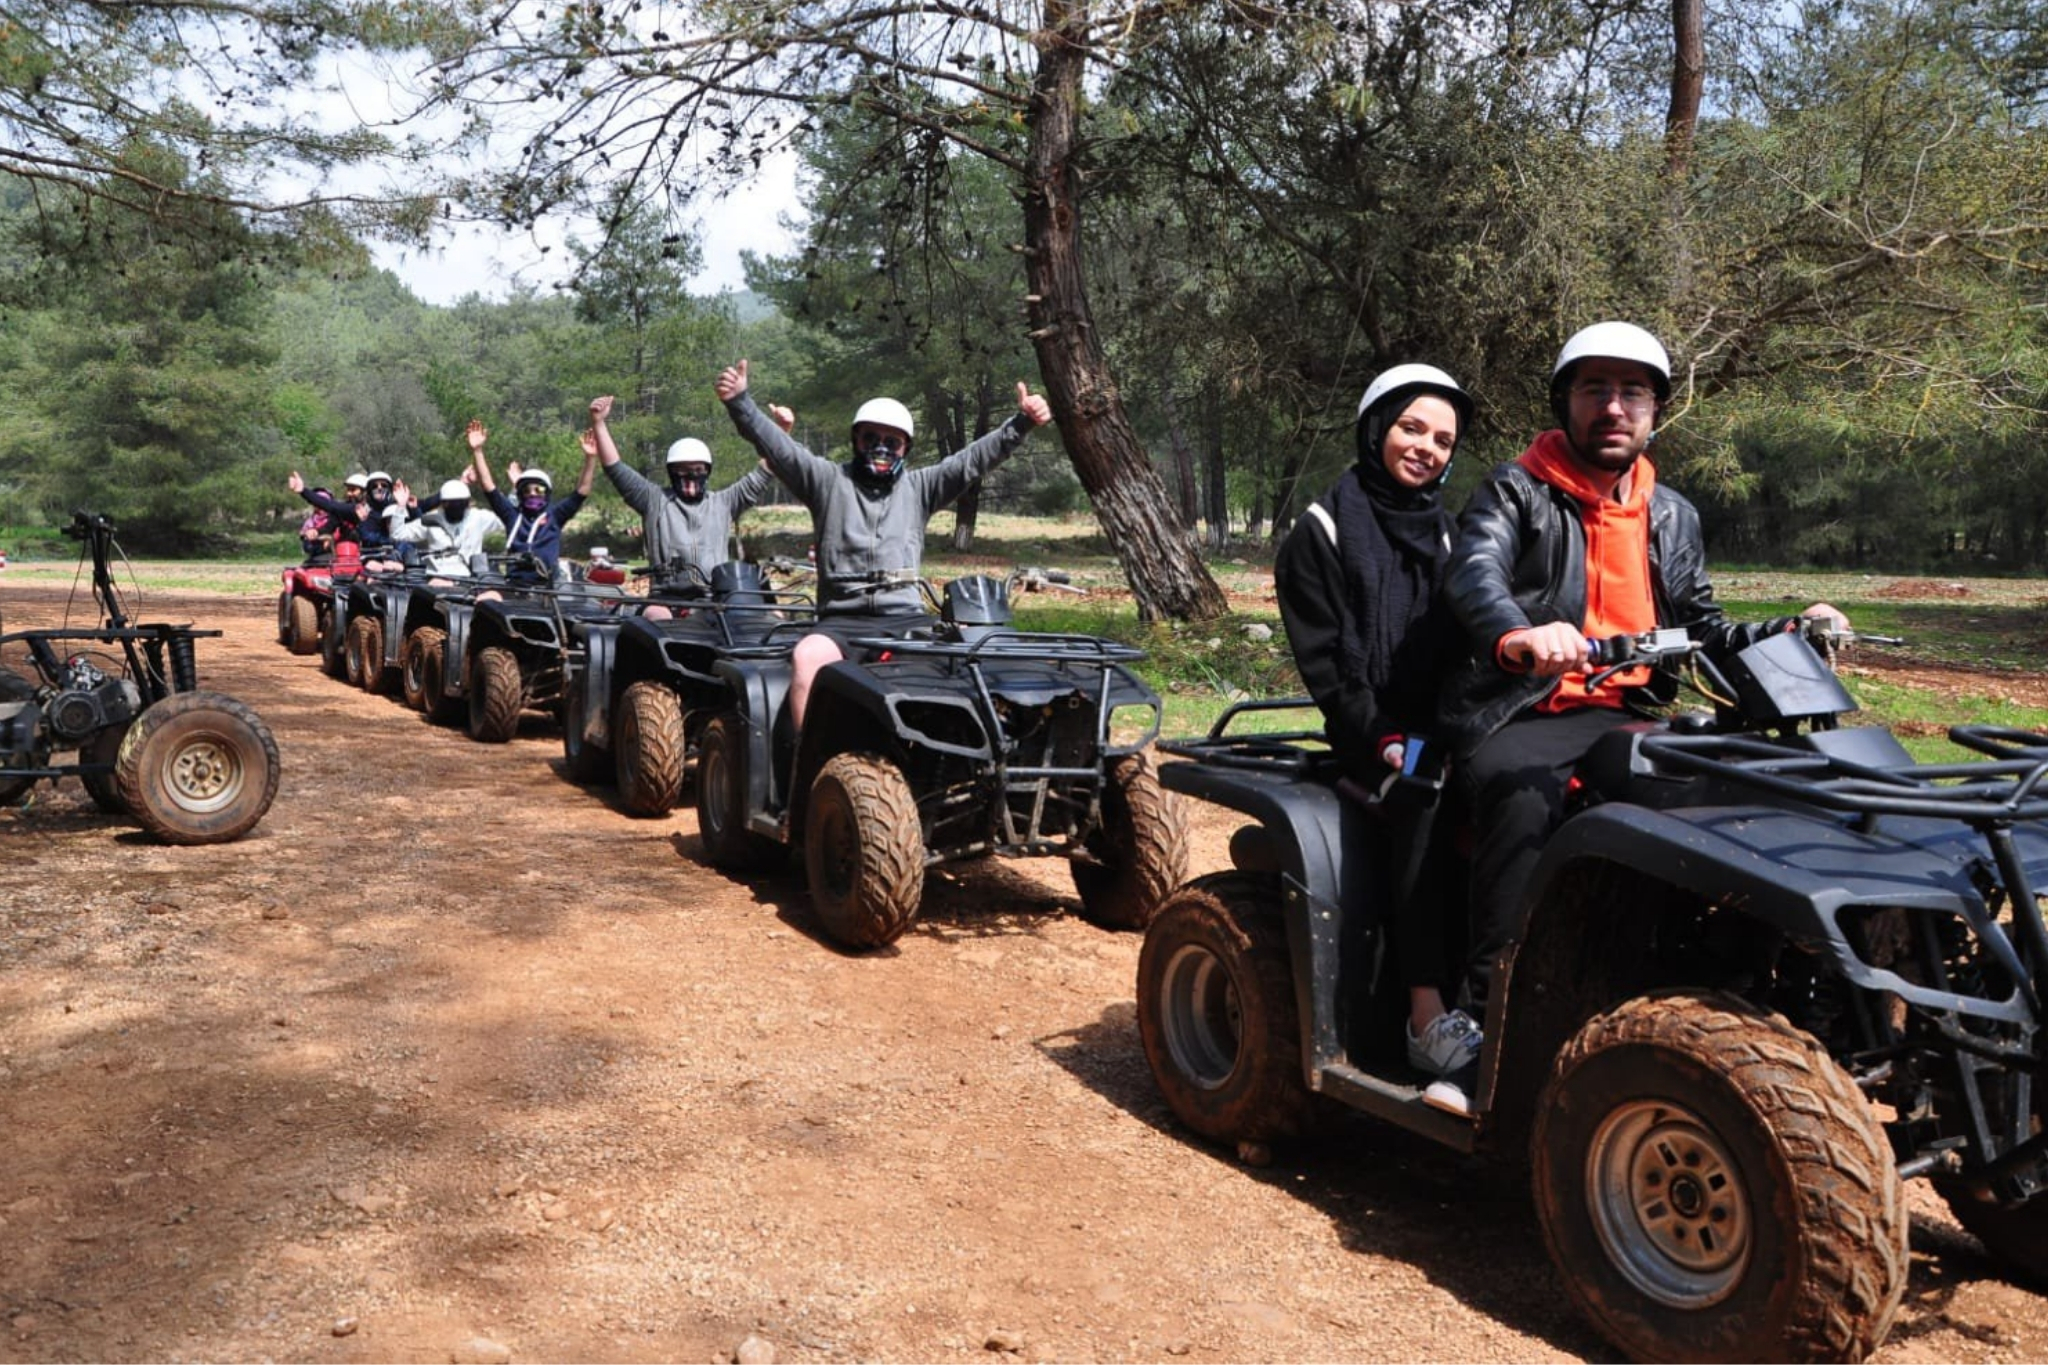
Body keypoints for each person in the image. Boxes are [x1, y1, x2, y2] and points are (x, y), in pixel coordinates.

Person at [1439, 320, 1847, 1030]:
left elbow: (1703, 626)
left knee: (1746, 790)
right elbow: (1476, 573)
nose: (1613, 406)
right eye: (1595, 388)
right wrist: (1522, 635)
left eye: (1632, 391)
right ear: (1566, 401)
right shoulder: (1515, 490)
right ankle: (1486, 1016)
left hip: (1628, 714)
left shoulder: (1670, 514)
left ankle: (1731, 987)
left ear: (1655, 411)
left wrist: (1787, 631)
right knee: (1521, 796)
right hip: (1521, 709)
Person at [1275, 363, 1478, 1082]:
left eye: (1444, 439)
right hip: (1370, 734)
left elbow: (1470, 640)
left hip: (1446, 723)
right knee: (1422, 792)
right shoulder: (1323, 529)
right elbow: (1329, 666)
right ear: (1375, 428)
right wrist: (1386, 736)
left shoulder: (1451, 536)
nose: (1427, 447)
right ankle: (1426, 1015)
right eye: (1412, 427)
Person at [714, 357, 1053, 728]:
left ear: (905, 448)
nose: (881, 447)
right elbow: (780, 449)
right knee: (807, 658)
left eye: (892, 441)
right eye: (871, 438)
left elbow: (971, 461)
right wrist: (740, 402)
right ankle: (807, 768)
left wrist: (1022, 423)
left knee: (965, 664)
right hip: (842, 622)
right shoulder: (827, 481)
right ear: (856, 440)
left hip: (907, 619)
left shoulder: (921, 487)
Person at [587, 394, 781, 606]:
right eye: (681, 470)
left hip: (716, 599)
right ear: (671, 472)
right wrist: (599, 422)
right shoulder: (654, 500)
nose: (690, 476)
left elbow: (764, 473)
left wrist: (782, 430)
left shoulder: (724, 502)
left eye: (698, 469)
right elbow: (615, 468)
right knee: (655, 618)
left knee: (765, 618)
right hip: (665, 598)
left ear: (707, 471)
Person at [466, 420, 598, 585]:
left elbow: (582, 491)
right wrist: (478, 451)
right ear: (520, 494)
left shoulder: (555, 516)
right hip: (514, 586)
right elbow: (489, 488)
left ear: (547, 493)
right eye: (526, 491)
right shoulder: (512, 516)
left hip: (548, 588)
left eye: (538, 490)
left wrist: (590, 458)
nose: (532, 494)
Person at [384, 477, 498, 579]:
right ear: (443, 504)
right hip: (439, 580)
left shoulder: (478, 517)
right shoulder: (431, 520)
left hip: (473, 580)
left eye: (460, 502)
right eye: (451, 503)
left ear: (468, 502)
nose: (456, 506)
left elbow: (508, 519)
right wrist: (401, 506)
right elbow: (397, 534)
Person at [290, 469, 404, 571]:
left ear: (364, 491)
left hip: (393, 559)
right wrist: (303, 491)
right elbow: (330, 507)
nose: (349, 494)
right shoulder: (353, 510)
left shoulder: (397, 507)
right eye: (374, 486)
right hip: (360, 560)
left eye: (353, 490)